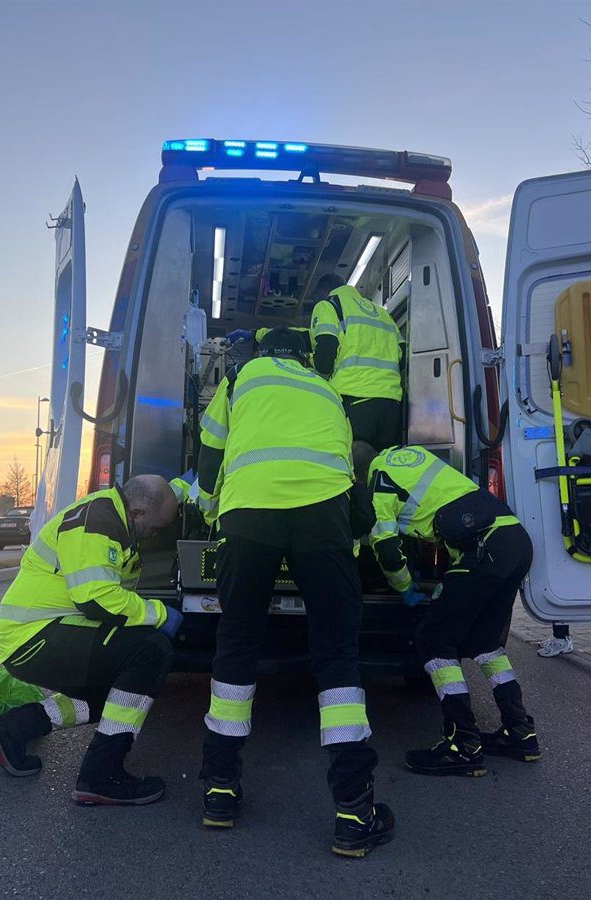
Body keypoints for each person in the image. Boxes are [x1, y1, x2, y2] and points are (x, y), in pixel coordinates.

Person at [196, 328, 394, 858]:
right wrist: (353, 536)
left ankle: (219, 790)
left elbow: (210, 452)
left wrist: (212, 514)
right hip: (322, 518)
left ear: (263, 352)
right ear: (306, 356)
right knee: (337, 656)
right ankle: (354, 810)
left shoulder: (241, 377)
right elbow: (350, 467)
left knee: (235, 644)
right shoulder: (327, 389)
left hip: (247, 518)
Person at [0, 475, 183, 806]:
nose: (155, 535)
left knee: (119, 697)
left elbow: (115, 604)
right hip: (35, 636)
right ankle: (102, 776)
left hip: (40, 634)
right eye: (156, 527)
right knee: (150, 651)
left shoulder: (115, 519)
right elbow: (97, 599)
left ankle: (15, 728)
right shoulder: (98, 520)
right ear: (139, 512)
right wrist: (160, 614)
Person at [354, 442, 541, 776]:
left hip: (484, 549)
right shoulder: (408, 456)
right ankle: (520, 732)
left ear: (357, 474)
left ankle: (463, 744)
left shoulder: (377, 484)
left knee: (434, 638)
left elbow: (386, 547)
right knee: (485, 642)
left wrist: (405, 587)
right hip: (514, 541)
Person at [310, 275, 405, 451]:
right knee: (381, 464)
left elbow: (326, 351)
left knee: (352, 464)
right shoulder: (382, 313)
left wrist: (319, 386)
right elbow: (403, 355)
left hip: (353, 398)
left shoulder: (329, 305)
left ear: (324, 291)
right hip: (391, 405)